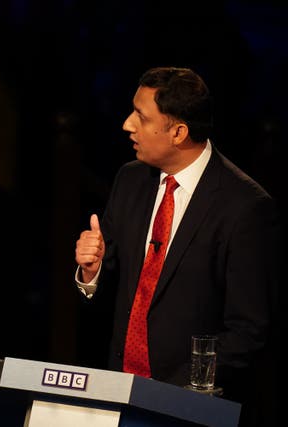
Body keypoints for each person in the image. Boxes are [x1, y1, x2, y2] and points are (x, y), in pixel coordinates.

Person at [74, 67, 280, 426]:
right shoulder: (130, 179)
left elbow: (248, 330)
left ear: (179, 132)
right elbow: (112, 286)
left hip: (191, 409)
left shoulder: (244, 206)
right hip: (119, 395)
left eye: (141, 116)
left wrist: (171, 392)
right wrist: (91, 273)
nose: (127, 125)